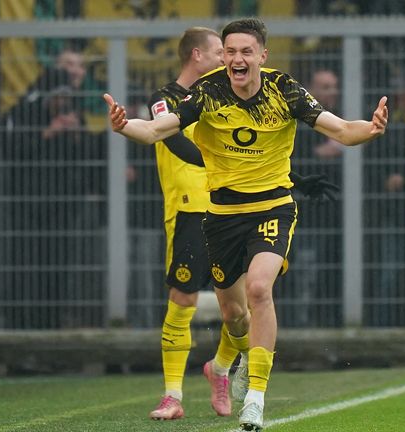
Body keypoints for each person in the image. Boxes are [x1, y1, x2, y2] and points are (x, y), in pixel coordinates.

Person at [104, 18, 388, 430]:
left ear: (262, 56)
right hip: (220, 216)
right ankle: (222, 367)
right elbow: (155, 130)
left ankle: (254, 398)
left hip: (272, 207)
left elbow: (342, 130)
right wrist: (124, 125)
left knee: (259, 288)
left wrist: (372, 128)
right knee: (234, 315)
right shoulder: (208, 91)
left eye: (245, 52)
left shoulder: (284, 89)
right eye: (230, 51)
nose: (236, 59)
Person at [145, 26, 248, 421]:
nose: (229, 59)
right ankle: (172, 396)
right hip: (189, 209)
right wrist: (221, 162)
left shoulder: (223, 99)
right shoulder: (164, 100)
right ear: (197, 56)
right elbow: (172, 140)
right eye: (221, 51)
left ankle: (219, 369)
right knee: (183, 299)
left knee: (236, 312)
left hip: (230, 209)